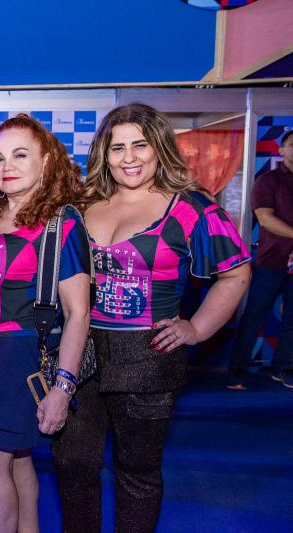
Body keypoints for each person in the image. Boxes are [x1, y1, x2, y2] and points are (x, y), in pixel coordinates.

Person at [53, 103, 251, 533]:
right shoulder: (82, 204)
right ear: (103, 154)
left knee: (137, 472)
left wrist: (196, 328)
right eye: (117, 147)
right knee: (73, 464)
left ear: (159, 147)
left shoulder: (191, 207)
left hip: (148, 355)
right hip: (78, 347)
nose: (129, 157)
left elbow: (236, 274)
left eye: (140, 145)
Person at [0, 113, 91, 532]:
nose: (7, 167)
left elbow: (78, 313)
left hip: (19, 358)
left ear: (46, 161)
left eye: (20, 155)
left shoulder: (61, 223)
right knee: (16, 461)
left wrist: (63, 388)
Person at [229, 129, 293, 389]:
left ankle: (284, 369)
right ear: (282, 150)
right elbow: (265, 219)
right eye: (292, 145)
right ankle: (237, 370)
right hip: (271, 262)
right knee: (254, 315)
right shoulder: (268, 180)